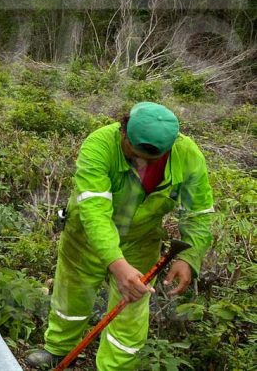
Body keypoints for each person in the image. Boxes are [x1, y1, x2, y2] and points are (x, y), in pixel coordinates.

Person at [26, 102, 214, 370]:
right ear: (123, 131)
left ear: (171, 147)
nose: (141, 164)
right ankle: (58, 350)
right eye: (134, 155)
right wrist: (117, 263)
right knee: (71, 298)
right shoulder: (99, 145)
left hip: (140, 241)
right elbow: (94, 211)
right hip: (86, 238)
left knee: (130, 314)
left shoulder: (187, 154)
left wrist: (188, 256)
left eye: (151, 160)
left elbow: (198, 211)